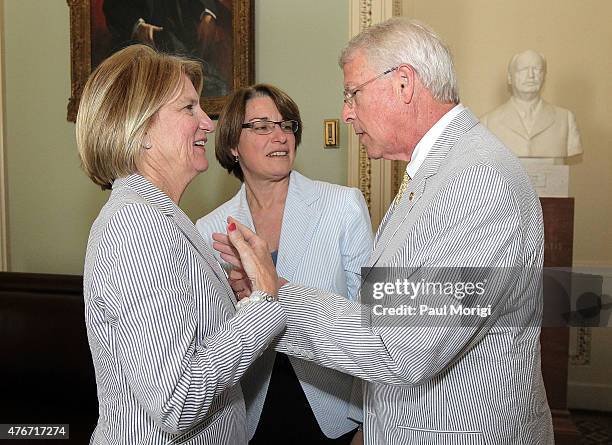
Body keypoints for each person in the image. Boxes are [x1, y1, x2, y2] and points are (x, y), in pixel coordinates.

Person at [214, 18, 554, 445]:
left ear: (404, 84)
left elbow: (402, 346)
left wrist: (277, 295)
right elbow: (382, 310)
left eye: (353, 93)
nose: (346, 111)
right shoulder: (435, 173)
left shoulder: (477, 180)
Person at [76, 44, 285, 444]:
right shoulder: (137, 223)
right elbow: (178, 400)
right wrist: (262, 304)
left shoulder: (160, 215)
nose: (208, 122)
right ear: (140, 130)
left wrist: (239, 300)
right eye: (189, 108)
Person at [196, 84, 373, 444]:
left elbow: (370, 322)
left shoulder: (342, 207)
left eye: (286, 125)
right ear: (232, 144)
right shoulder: (209, 229)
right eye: (261, 126)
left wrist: (365, 423)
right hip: (249, 414)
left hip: (334, 410)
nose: (280, 136)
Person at [103, 0, 232, 96]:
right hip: (142, 55)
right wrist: (137, 26)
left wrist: (208, 13)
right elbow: (112, 6)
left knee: (218, 87)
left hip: (184, 49)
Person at [481, 49, 582, 158]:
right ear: (510, 78)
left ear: (544, 77)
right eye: (523, 69)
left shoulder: (565, 119)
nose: (531, 75)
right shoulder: (487, 124)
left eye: (537, 69)